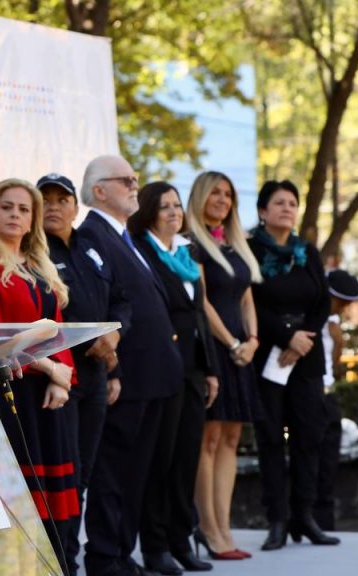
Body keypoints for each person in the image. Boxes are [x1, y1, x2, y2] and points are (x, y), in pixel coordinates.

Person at [0, 178, 78, 572]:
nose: (15, 215)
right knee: (18, 505)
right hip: (9, 393)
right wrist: (52, 368)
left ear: (33, 219)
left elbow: (58, 328)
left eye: (24, 209)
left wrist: (62, 378)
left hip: (48, 397)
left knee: (55, 511)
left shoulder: (39, 265)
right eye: (6, 206)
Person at [77, 155, 184, 576]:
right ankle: (105, 556)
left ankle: (122, 553)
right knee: (113, 472)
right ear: (99, 189)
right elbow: (101, 306)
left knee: (136, 472)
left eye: (136, 178)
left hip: (155, 377)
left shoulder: (123, 236)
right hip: (128, 377)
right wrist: (114, 371)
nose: (135, 185)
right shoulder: (91, 235)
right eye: (126, 180)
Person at [38, 172, 127, 575]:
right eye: (46, 200)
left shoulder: (92, 246)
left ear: (76, 207)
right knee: (65, 477)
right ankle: (64, 562)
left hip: (97, 375)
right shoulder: (35, 251)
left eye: (62, 200)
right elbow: (47, 314)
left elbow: (121, 300)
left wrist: (113, 339)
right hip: (59, 377)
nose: (54, 207)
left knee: (84, 475)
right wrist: (91, 340)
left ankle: (71, 558)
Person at [130, 182, 220, 574]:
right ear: (148, 211)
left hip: (193, 369)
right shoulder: (140, 250)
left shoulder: (185, 252)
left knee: (186, 459)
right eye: (164, 206)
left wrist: (211, 368)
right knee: (160, 460)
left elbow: (200, 313)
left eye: (177, 205)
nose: (173, 212)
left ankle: (181, 541)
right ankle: (155, 546)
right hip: (160, 368)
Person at [249, 180, 339, 550]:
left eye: (292, 203)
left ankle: (305, 515)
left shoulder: (307, 251)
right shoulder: (250, 250)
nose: (287, 208)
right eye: (279, 202)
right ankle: (278, 520)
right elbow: (250, 302)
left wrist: (301, 340)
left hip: (306, 355)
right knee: (271, 437)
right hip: (268, 353)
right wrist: (286, 337)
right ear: (262, 211)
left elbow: (322, 303)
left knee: (309, 436)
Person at [184, 171, 263, 560]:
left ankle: (226, 530)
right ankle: (209, 530)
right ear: (200, 196)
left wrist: (253, 341)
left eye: (228, 194)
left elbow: (247, 298)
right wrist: (232, 343)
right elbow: (201, 301)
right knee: (209, 439)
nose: (222, 199)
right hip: (214, 350)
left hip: (242, 351)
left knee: (232, 439)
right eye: (215, 192)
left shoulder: (236, 245)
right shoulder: (191, 244)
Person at [314, 269, 358, 530]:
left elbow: (334, 362)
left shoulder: (333, 325)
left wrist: (337, 339)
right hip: (308, 394)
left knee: (329, 460)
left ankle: (325, 521)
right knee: (309, 458)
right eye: (342, 303)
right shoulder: (311, 317)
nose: (344, 309)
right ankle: (306, 516)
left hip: (328, 392)